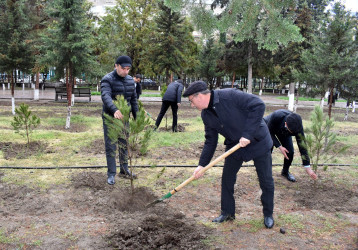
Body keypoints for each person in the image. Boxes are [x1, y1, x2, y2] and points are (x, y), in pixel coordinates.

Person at [183, 80, 275, 229]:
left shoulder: (230, 95)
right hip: (235, 144)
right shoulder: (206, 115)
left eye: (191, 101)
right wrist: (201, 165)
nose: (192, 106)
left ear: (199, 96)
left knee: (266, 180)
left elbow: (258, 105)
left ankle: (268, 214)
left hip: (258, 140)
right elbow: (210, 141)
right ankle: (227, 212)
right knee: (227, 178)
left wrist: (247, 134)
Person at [100, 55, 138, 185]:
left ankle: (124, 169)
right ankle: (111, 174)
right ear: (116, 66)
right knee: (111, 146)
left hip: (124, 119)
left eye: (128, 69)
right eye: (123, 68)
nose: (126, 72)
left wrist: (137, 117)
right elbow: (105, 96)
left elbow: (133, 100)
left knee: (123, 144)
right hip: (110, 117)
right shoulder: (107, 80)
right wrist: (114, 109)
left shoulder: (129, 81)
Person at [263, 109, 318, 182]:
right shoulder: (277, 115)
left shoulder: (297, 126)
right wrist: (279, 146)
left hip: (283, 132)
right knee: (268, 149)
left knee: (290, 151)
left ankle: (285, 172)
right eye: (291, 132)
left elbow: (302, 146)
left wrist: (308, 167)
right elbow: (269, 132)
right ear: (286, 124)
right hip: (268, 127)